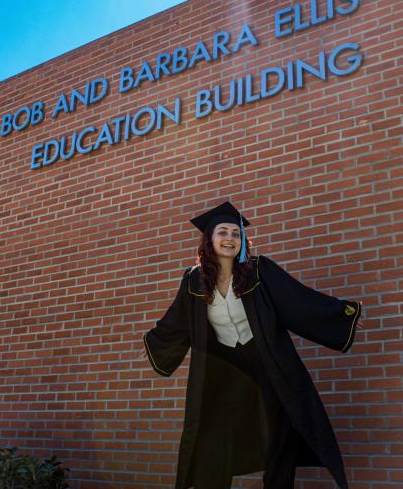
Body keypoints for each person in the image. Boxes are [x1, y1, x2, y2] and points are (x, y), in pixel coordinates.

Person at [139, 201, 363, 489]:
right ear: (209, 239)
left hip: (266, 363)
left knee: (278, 435)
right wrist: (153, 342)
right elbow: (176, 321)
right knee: (213, 436)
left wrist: (342, 314)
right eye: (223, 232)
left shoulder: (259, 271)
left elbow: (298, 301)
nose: (230, 238)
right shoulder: (194, 281)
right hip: (225, 369)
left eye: (236, 233)